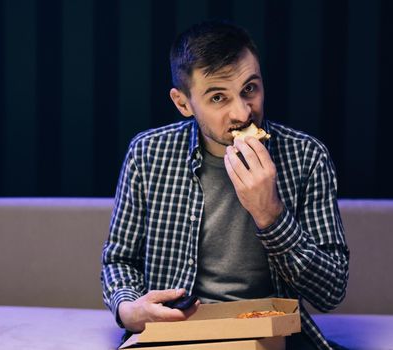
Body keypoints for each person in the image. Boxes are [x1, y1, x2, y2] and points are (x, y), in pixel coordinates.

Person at [101, 20, 349, 349]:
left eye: (250, 89)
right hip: (177, 336)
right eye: (218, 97)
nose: (243, 113)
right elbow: (119, 259)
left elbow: (331, 292)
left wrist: (270, 214)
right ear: (183, 103)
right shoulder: (147, 154)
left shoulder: (307, 157)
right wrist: (129, 309)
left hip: (270, 334)